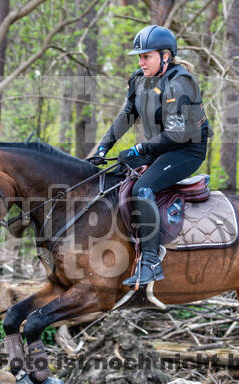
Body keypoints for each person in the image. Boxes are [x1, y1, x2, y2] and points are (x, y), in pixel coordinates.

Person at [87, 25, 210, 286]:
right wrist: (101, 148)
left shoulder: (181, 82)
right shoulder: (138, 80)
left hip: (185, 150)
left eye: (147, 56)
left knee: (143, 188)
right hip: (160, 148)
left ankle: (151, 262)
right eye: (139, 57)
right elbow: (125, 116)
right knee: (116, 173)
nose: (141, 61)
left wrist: (140, 148)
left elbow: (180, 134)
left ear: (165, 56)